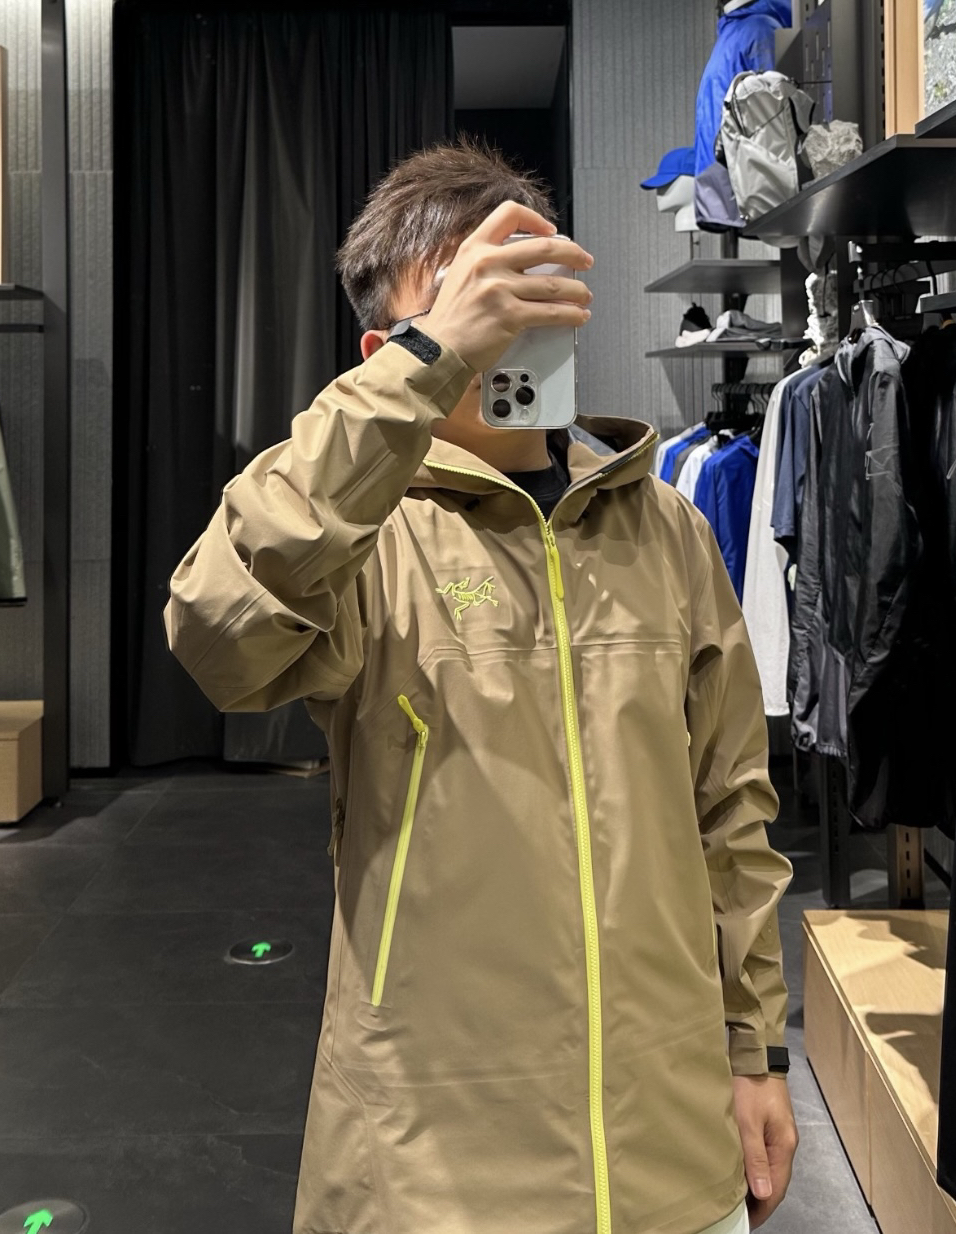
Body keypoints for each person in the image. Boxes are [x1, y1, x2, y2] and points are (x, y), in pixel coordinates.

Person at [164, 140, 797, 1234]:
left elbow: (731, 809)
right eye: (477, 299)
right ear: (386, 350)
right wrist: (426, 366)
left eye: (534, 290)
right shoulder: (362, 542)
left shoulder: (666, 528)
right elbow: (216, 634)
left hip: (670, 1141)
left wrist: (756, 1052)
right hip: (433, 1165)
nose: (513, 325)